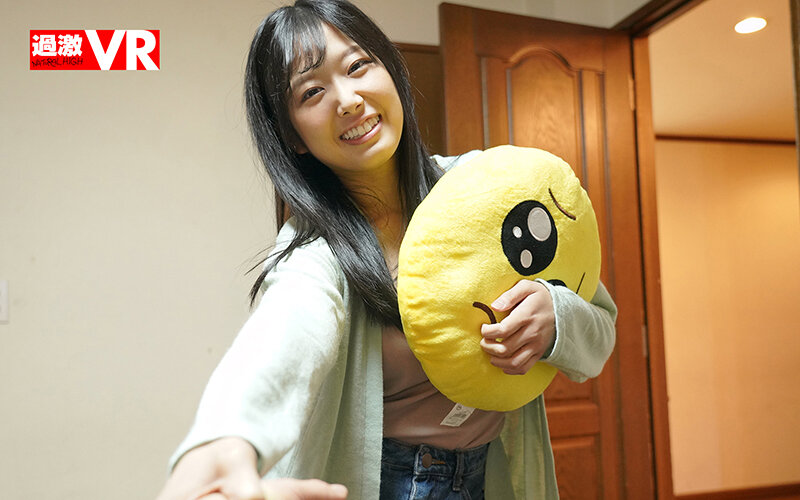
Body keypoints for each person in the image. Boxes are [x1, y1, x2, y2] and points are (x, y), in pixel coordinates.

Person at [156, 1, 617, 499]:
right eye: (312, 92)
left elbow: (601, 328)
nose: (348, 100)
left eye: (357, 65)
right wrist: (225, 438)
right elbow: (286, 330)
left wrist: (555, 315)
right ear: (293, 137)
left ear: (390, 69)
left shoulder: (486, 185)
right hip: (389, 482)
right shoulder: (315, 251)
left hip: (493, 475)